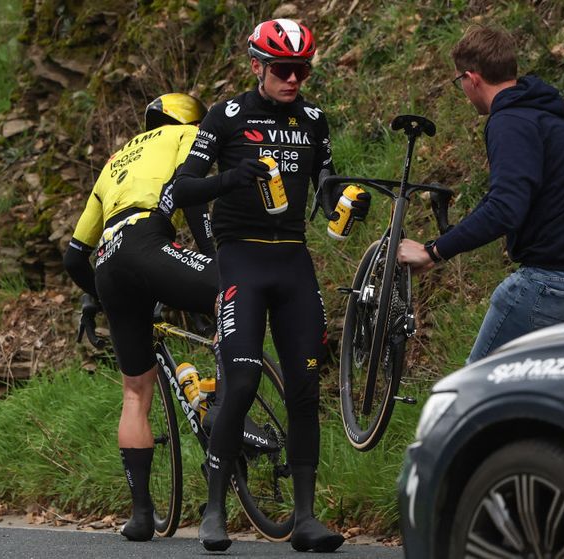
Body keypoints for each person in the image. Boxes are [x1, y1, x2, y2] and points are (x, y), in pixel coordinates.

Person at [173, 18, 370, 552]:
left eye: (302, 70)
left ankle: (304, 517)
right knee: (241, 382)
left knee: (306, 389)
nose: (293, 80)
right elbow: (183, 189)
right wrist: (235, 178)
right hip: (240, 261)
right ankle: (214, 509)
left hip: (292, 262)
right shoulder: (226, 116)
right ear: (257, 66)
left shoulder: (312, 119)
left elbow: (326, 187)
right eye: (283, 69)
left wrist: (346, 201)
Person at [398, 24, 564, 363]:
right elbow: (507, 197)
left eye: (459, 82)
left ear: (472, 78)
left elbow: (504, 209)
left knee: (482, 386)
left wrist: (433, 252)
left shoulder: (510, 122)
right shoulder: (550, 111)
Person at [63, 93, 218, 542]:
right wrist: (213, 262)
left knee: (135, 394)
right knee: (232, 293)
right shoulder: (186, 134)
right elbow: (191, 196)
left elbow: (75, 258)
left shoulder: (114, 162)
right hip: (150, 242)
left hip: (109, 263)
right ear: (190, 119)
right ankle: (225, 415)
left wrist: (100, 300)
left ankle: (141, 515)